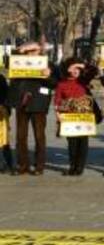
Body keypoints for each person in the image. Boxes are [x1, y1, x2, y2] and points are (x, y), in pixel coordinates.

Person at [7, 42, 57, 175]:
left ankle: (39, 166)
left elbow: (55, 83)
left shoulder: (48, 64)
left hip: (39, 103)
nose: (31, 53)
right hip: (21, 102)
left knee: (39, 136)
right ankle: (23, 165)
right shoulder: (18, 62)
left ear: (40, 51)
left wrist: (48, 76)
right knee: (21, 136)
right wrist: (20, 49)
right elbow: (8, 61)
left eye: (34, 50)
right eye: (28, 51)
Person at [54, 56, 100, 176]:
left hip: (84, 117)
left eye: (77, 69)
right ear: (67, 70)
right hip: (69, 118)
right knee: (72, 144)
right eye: (72, 68)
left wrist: (79, 65)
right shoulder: (61, 84)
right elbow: (57, 100)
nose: (75, 71)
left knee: (83, 143)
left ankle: (80, 167)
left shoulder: (83, 81)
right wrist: (57, 114)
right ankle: (72, 165)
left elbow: (94, 70)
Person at [0, 69, 15, 174]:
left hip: (1, 112)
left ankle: (9, 164)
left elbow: (7, 96)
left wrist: (6, 109)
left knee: (4, 140)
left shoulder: (1, 79)